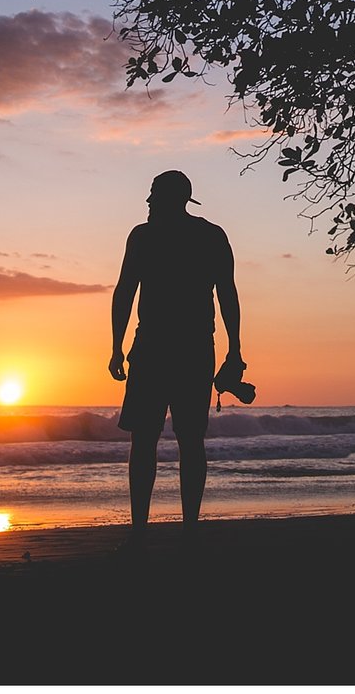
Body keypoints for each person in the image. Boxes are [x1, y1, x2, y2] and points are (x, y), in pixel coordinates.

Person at [108, 169, 245, 540]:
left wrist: (117, 348)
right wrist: (233, 350)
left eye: (154, 195)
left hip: (158, 349)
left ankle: (148, 531)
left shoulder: (146, 237)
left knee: (152, 440)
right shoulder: (209, 236)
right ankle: (183, 531)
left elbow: (124, 293)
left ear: (173, 198)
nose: (148, 202)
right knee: (184, 439)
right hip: (191, 349)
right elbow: (227, 296)